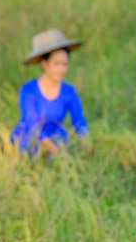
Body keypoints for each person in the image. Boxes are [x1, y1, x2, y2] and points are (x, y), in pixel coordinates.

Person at [10, 28, 90, 156]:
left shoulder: (69, 92)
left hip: (56, 135)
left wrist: (86, 145)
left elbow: (79, 121)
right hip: (30, 138)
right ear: (44, 64)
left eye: (64, 64)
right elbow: (32, 124)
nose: (61, 69)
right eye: (56, 64)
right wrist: (55, 151)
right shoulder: (28, 90)